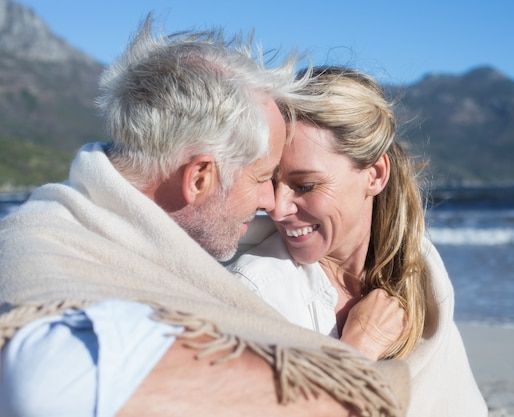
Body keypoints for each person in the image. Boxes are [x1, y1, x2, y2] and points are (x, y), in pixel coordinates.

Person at [0, 18, 411, 417]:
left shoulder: (93, 230)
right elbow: (43, 386)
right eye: (264, 178)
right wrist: (351, 361)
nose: (272, 202)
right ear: (200, 177)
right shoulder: (41, 253)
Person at [228, 67, 488, 416]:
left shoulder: (421, 272)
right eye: (272, 182)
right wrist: (357, 349)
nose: (277, 208)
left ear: (375, 175)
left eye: (305, 186)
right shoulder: (256, 291)